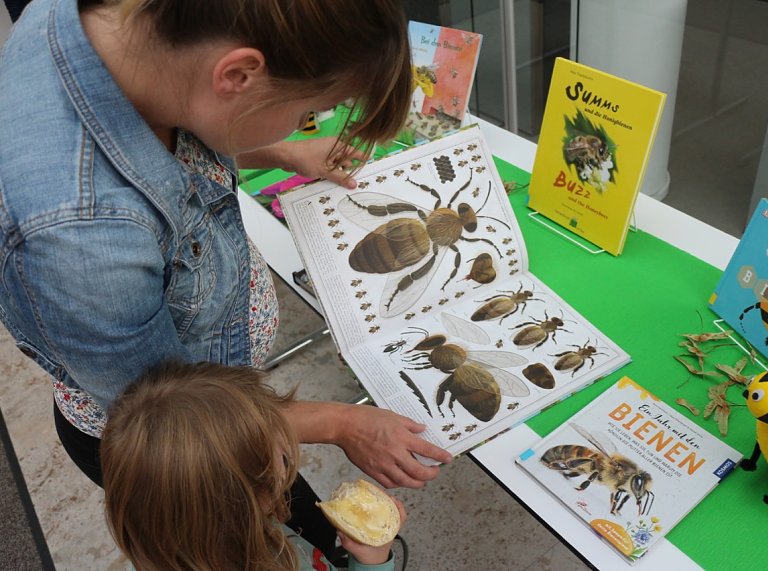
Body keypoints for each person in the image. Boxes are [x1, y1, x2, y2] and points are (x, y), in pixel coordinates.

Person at [0, 0, 451, 556]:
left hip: (230, 400)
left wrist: (284, 148)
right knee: (257, 545)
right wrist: (342, 424)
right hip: (184, 448)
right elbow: (186, 421)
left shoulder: (121, 34)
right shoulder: (82, 239)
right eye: (311, 109)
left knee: (298, 521)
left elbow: (189, 107)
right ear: (239, 75)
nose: (308, 121)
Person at [101, 361, 406, 570]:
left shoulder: (170, 534)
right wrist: (373, 561)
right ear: (254, 499)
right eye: (283, 460)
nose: (290, 453)